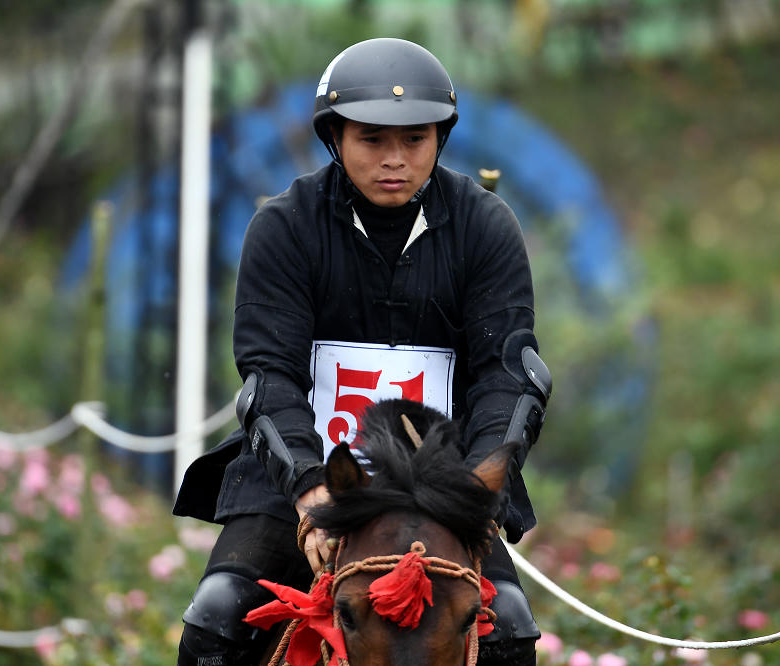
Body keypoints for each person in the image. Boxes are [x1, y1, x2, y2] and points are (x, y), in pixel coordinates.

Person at [173, 37, 551, 666]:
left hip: (441, 485)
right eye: (372, 140)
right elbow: (270, 378)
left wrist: (475, 486)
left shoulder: (486, 226)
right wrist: (309, 488)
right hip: (306, 473)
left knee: (508, 629)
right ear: (335, 138)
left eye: (415, 140)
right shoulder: (285, 227)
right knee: (216, 617)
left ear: (440, 139)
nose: (395, 160)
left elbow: (509, 376)